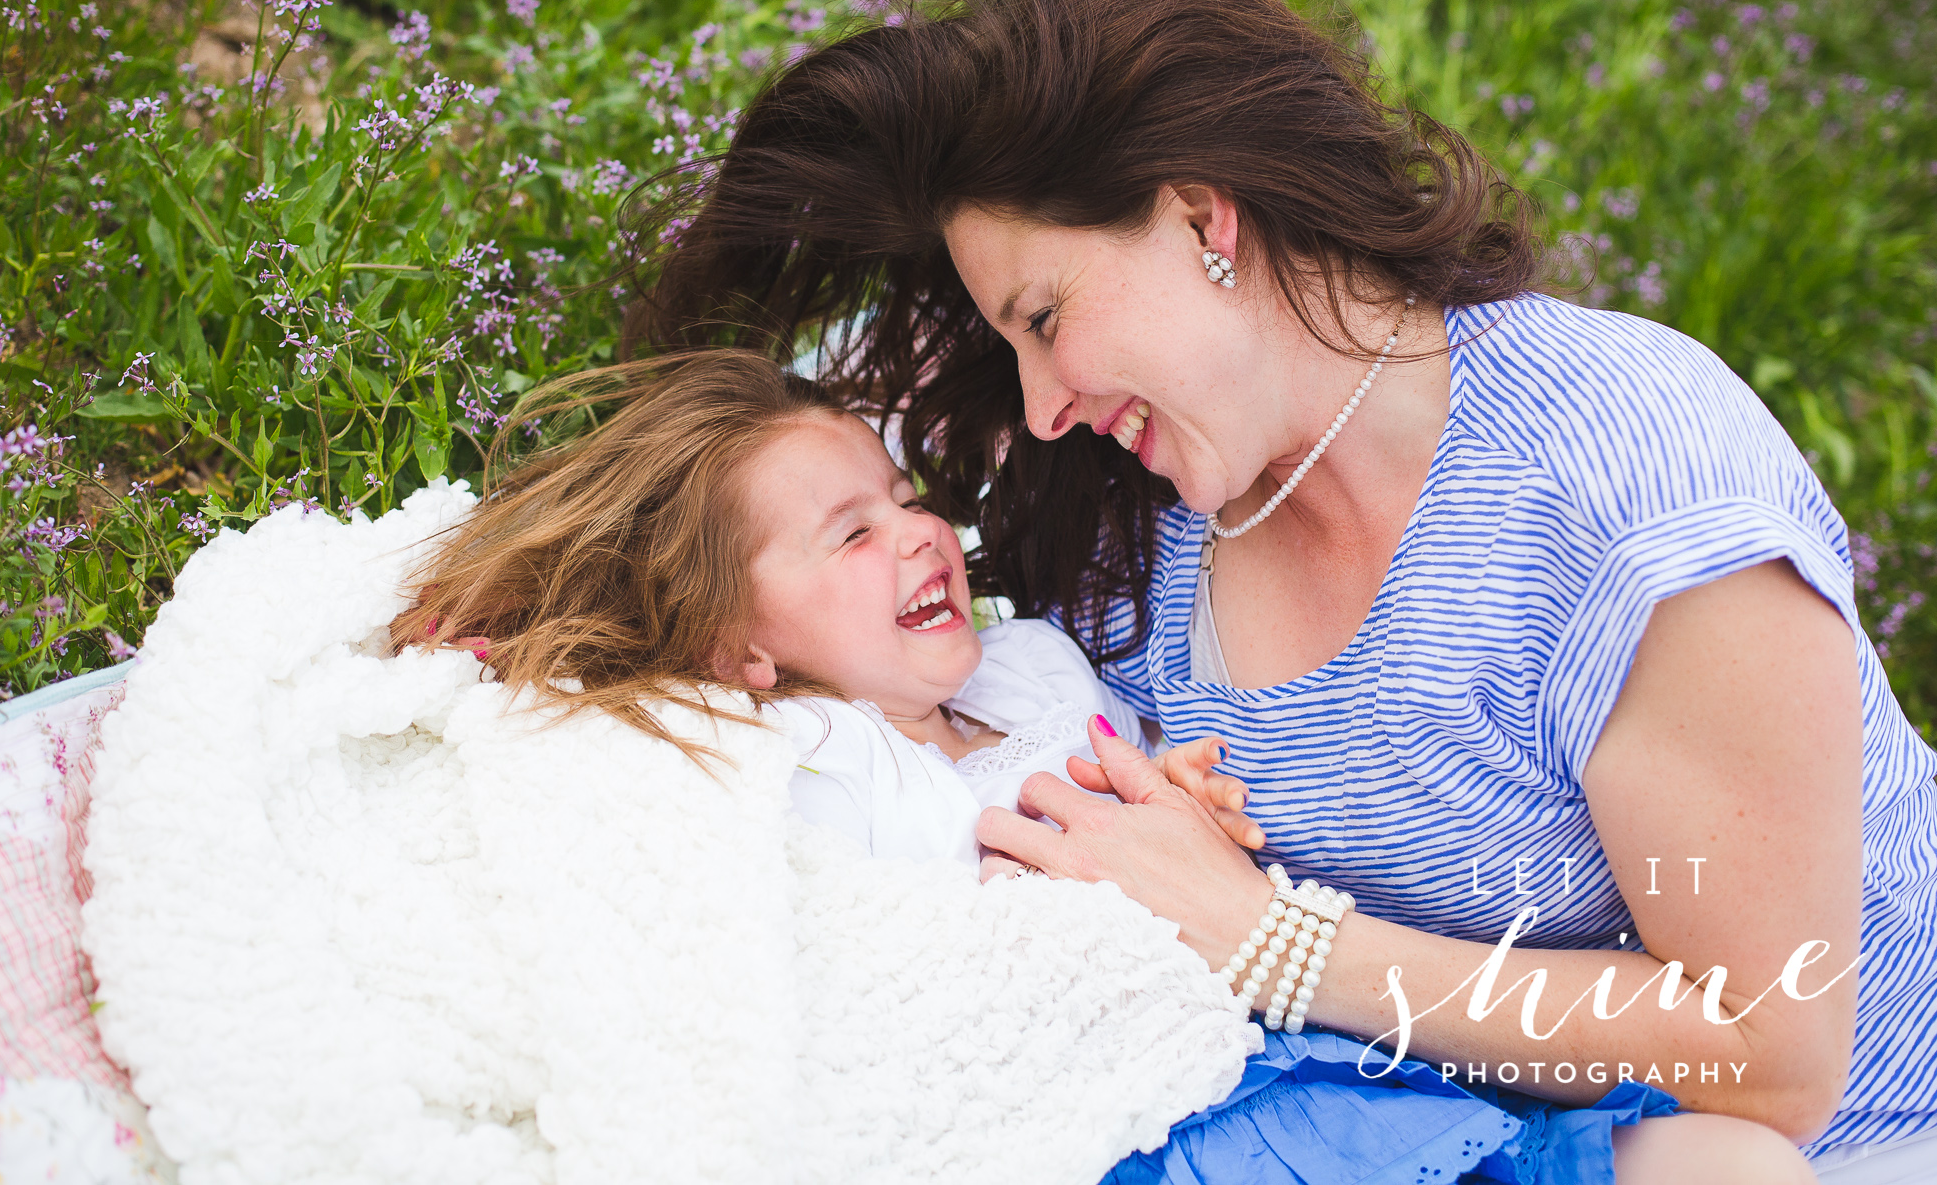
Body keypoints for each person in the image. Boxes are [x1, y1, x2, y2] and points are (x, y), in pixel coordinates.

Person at [624, 0, 1937, 1179]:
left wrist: (1273, 944)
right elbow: (754, 502)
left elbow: (1771, 1050)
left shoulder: (1623, 486)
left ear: (1204, 218)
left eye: (1044, 316)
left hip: (1853, 1140)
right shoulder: (1125, 503)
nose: (1038, 399)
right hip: (1407, 1140)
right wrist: (578, 627)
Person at [393, 348, 1810, 1184]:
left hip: (1294, 1054)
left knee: (1738, 1162)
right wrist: (522, 639)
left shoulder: (1032, 672)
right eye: (847, 535)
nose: (918, 532)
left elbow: (1154, 834)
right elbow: (756, 884)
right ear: (740, 647)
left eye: (904, 496)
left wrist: (1184, 800)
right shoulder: (806, 748)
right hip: (1151, 1124)